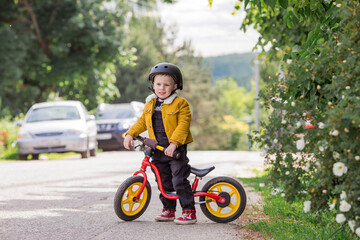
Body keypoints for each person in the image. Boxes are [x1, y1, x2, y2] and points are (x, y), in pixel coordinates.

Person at [123, 62, 196, 225]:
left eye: (166, 85)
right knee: (163, 181)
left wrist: (174, 144)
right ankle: (169, 209)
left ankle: (189, 211)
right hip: (157, 149)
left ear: (175, 86)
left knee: (179, 180)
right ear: (153, 84)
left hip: (174, 150)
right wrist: (130, 134)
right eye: (158, 84)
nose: (161, 88)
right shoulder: (150, 104)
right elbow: (142, 122)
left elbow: (183, 126)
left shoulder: (180, 104)